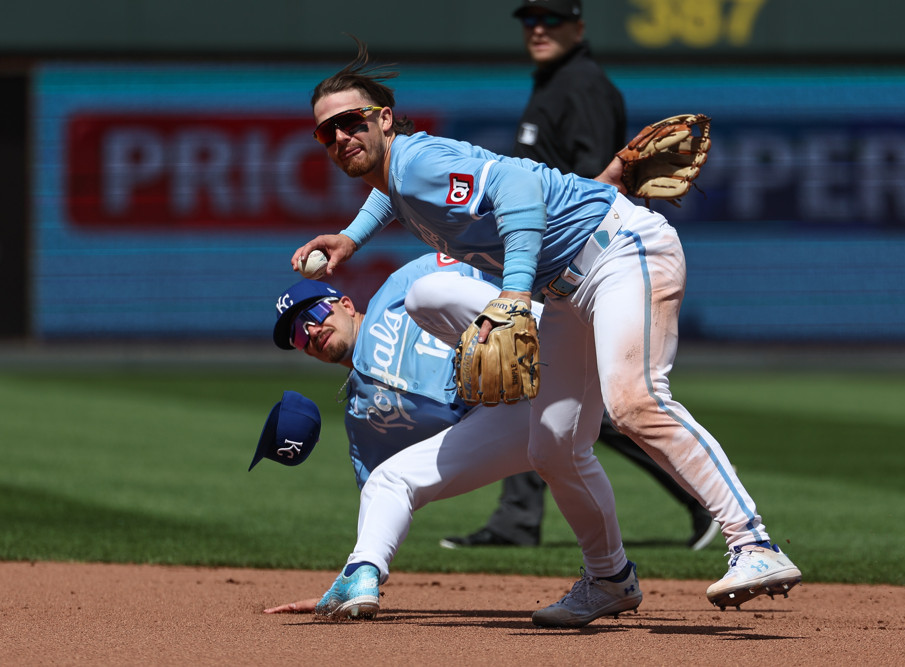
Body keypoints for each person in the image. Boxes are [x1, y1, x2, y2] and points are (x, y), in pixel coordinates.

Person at [291, 38, 802, 626]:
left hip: (619, 252)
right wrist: (350, 238)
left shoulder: (418, 163)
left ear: (383, 119)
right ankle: (610, 579)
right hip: (566, 291)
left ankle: (755, 544)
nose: (338, 139)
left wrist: (510, 293)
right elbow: (393, 197)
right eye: (324, 134)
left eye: (350, 122)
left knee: (635, 401)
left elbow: (518, 190)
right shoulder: (403, 172)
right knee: (552, 443)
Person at [440, 0, 716, 553]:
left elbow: (597, 192)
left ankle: (705, 498)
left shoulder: (582, 86)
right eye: (529, 20)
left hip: (578, 263)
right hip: (548, 265)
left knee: (598, 402)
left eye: (552, 20)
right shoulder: (554, 84)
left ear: (579, 27)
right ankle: (518, 517)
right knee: (530, 382)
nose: (538, 28)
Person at [257, 253, 562, 620]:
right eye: (296, 335)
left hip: (533, 350)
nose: (309, 332)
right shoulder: (361, 416)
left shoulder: (398, 287)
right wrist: (353, 568)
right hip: (509, 418)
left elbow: (477, 258)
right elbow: (380, 499)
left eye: (313, 315)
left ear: (346, 304)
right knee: (386, 482)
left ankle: (571, 329)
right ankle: (359, 578)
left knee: (430, 290)